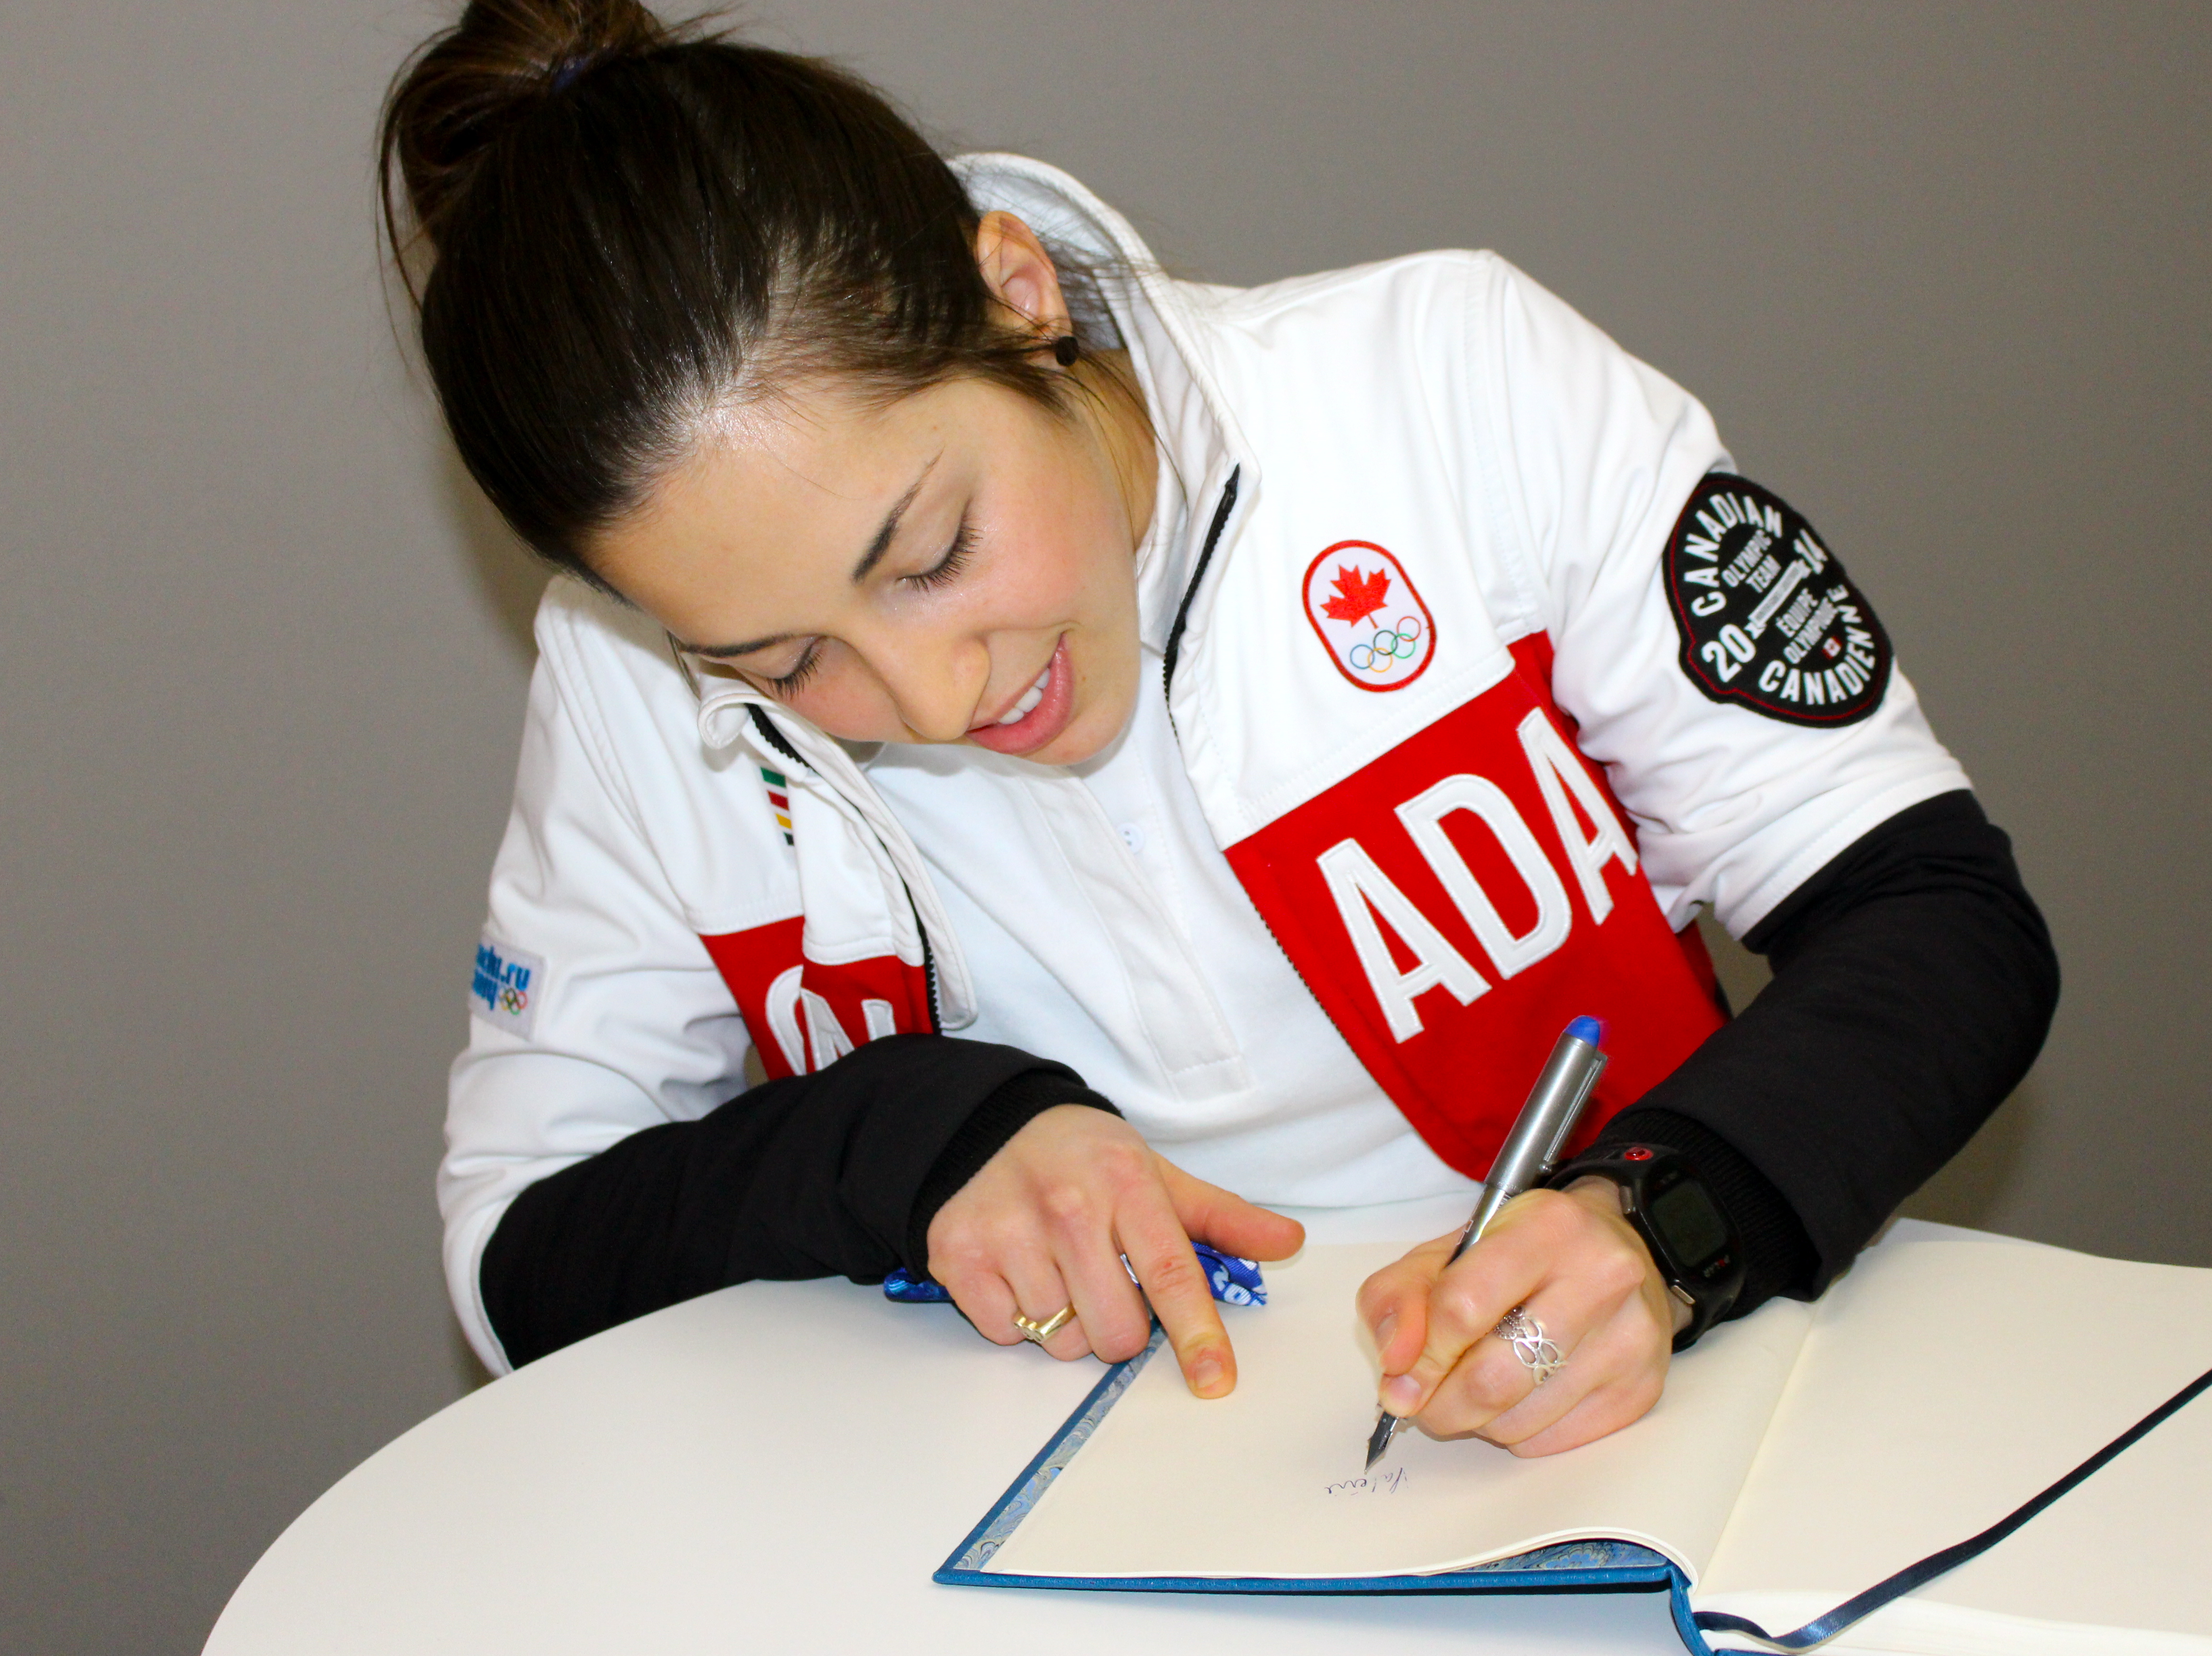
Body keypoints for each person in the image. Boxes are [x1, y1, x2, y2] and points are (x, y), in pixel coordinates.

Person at [389, 0, 2056, 1460]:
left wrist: (1664, 1223)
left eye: (936, 553)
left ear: (1018, 291)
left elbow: (1938, 919)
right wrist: (912, 1136)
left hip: (1640, 1436)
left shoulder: (1450, 386)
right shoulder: (626, 678)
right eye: (784, 662)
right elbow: (522, 1253)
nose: (935, 700)